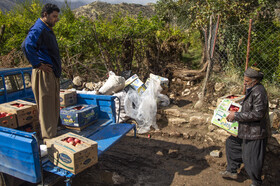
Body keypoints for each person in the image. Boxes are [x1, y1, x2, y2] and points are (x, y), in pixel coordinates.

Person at [220, 67, 269, 186]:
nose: (244, 82)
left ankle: (256, 182)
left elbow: (258, 114)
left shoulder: (259, 92)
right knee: (232, 143)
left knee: (251, 159)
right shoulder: (252, 89)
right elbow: (250, 106)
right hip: (247, 129)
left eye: (247, 81)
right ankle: (232, 170)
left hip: (255, 132)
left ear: (255, 80)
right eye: (244, 80)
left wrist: (236, 115)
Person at [22, 3, 61, 141]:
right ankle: (49, 138)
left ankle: (52, 132)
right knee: (46, 106)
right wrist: (38, 64)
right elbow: (27, 45)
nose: (56, 19)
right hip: (44, 73)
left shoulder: (46, 28)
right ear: (45, 15)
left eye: (57, 16)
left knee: (53, 103)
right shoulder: (39, 28)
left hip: (51, 72)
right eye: (54, 16)